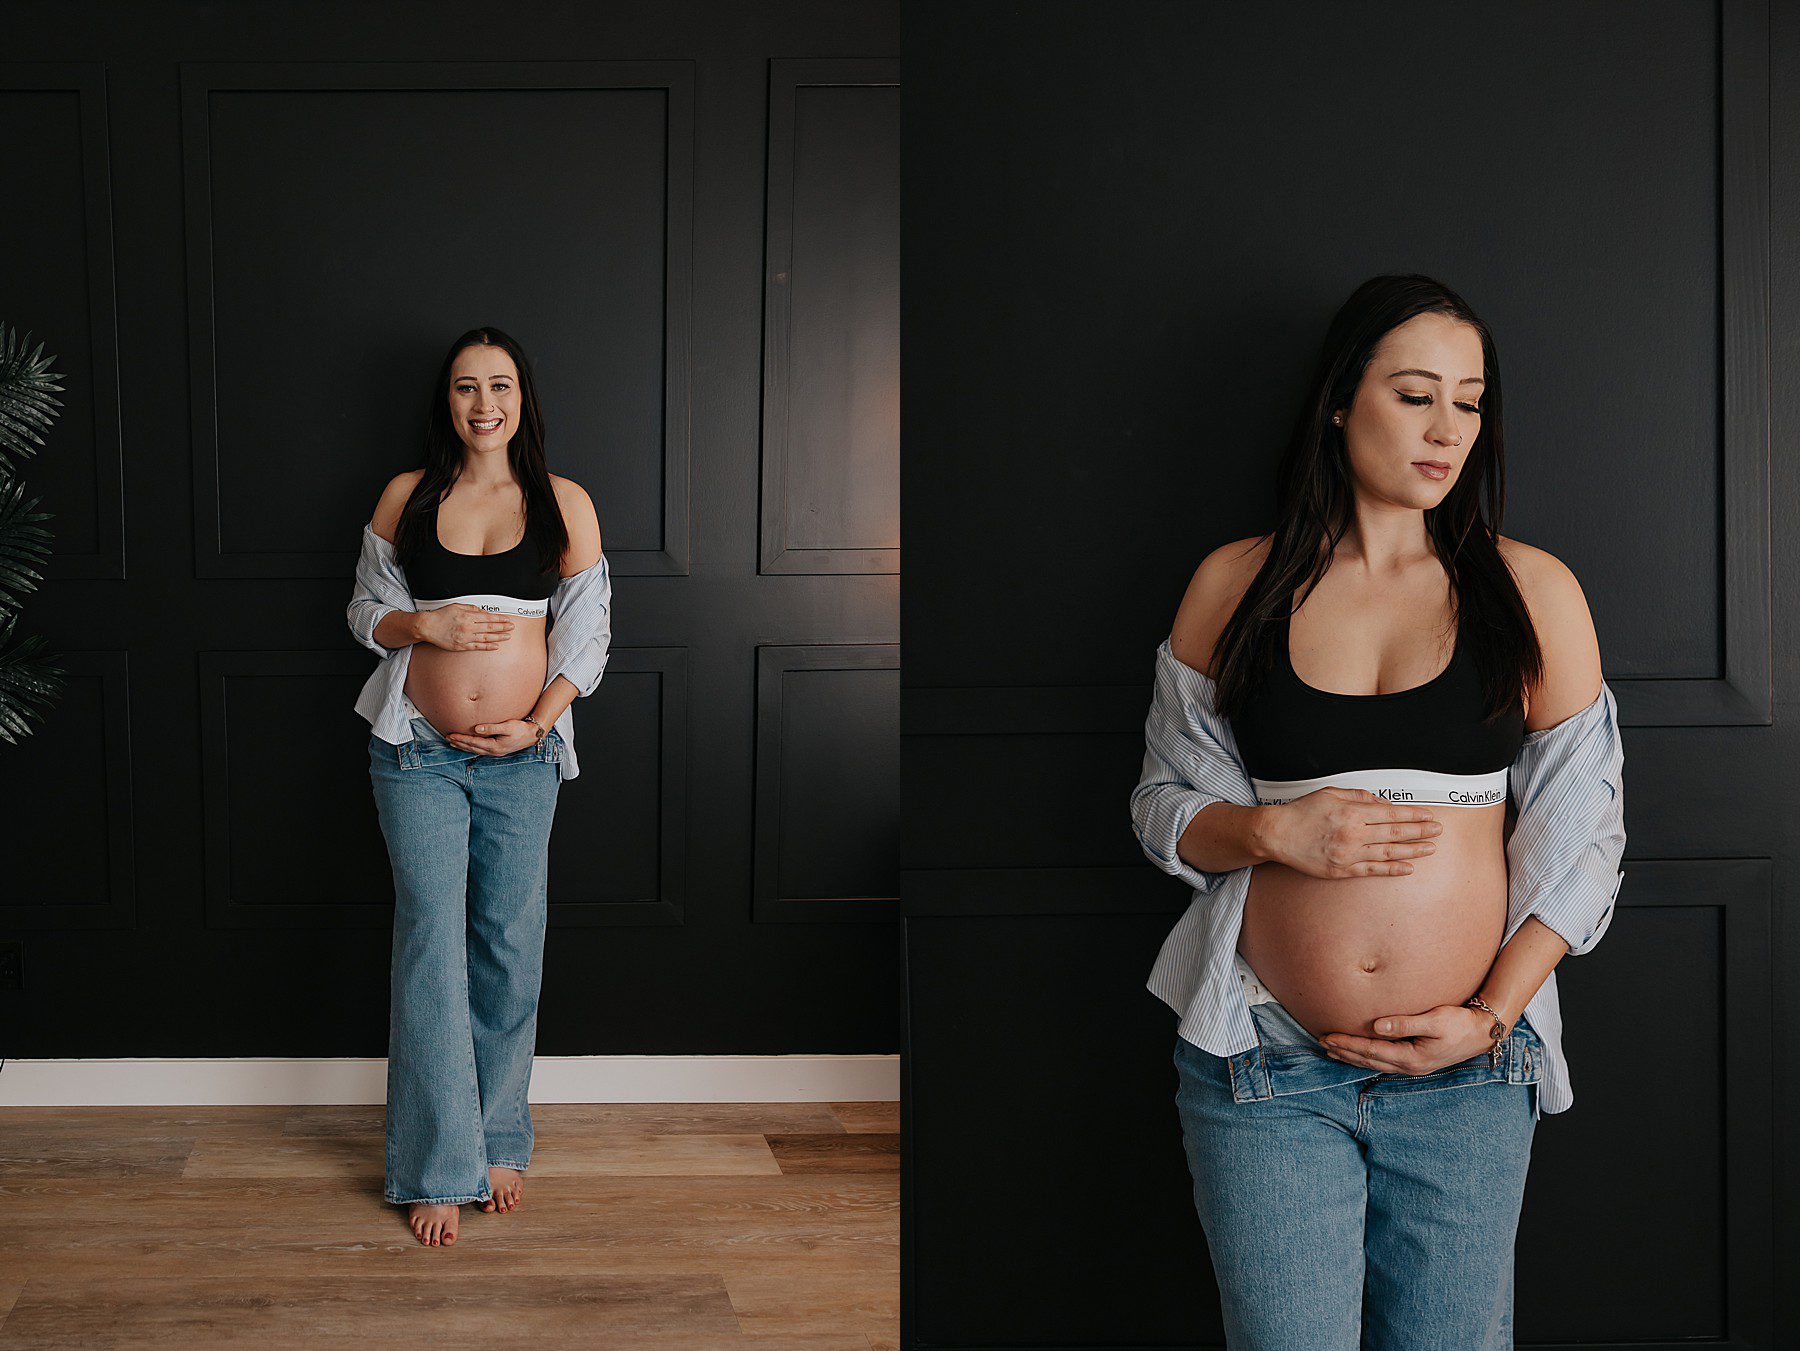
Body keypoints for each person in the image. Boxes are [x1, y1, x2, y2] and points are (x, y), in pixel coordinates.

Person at [1130, 274, 1626, 1347]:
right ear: (1340, 401)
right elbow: (1162, 804)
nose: (1449, 428)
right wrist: (1271, 831)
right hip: (1261, 1058)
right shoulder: (1236, 584)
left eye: (1471, 401)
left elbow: (1587, 840)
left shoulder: (1532, 590)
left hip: (1466, 1074)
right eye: (1415, 394)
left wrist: (1489, 1017)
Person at [345, 326, 613, 1248]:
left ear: (523, 398)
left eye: (500, 385)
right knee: (430, 942)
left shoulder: (563, 502)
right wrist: (428, 626)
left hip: (520, 757)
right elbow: (363, 611)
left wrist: (535, 722)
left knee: (506, 940)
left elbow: (587, 632)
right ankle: (434, 1164)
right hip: (414, 749)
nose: (483, 403)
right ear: (447, 402)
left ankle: (499, 1139)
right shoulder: (407, 497)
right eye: (466, 387)